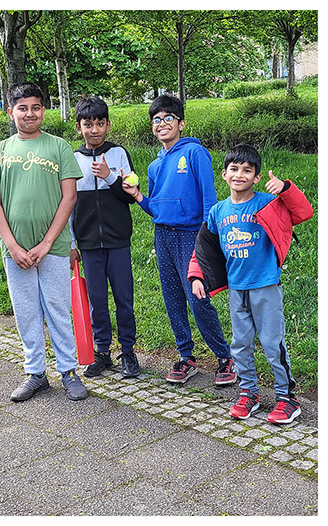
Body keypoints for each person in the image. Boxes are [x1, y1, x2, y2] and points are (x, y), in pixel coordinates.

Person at [188, 143, 313, 423]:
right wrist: (197, 274)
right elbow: (205, 247)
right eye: (234, 169)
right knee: (240, 344)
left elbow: (304, 213)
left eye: (247, 170)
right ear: (224, 174)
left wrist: (286, 190)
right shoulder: (219, 211)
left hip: (265, 286)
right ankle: (249, 393)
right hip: (237, 289)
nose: (240, 175)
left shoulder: (267, 203)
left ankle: (286, 398)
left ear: (257, 177)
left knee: (272, 343)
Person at [0, 82, 88, 402]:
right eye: (23, 107)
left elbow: (69, 198)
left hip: (53, 247)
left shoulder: (58, 147)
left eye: (36, 107)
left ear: (44, 109)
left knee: (58, 307)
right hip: (15, 249)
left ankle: (68, 371)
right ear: (11, 111)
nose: (30, 113)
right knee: (26, 310)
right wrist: (13, 246)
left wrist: (46, 243)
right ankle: (36, 373)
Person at [122, 94, 235, 386]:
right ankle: (186, 358)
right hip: (163, 236)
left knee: (197, 297)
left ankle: (226, 358)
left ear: (181, 123)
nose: (161, 124)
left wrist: (209, 239)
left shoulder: (196, 154)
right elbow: (156, 207)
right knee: (172, 299)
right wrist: (139, 197)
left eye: (168, 118)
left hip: (192, 236)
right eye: (156, 120)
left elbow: (209, 200)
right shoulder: (155, 165)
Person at [70, 96, 140, 378]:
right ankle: (102, 352)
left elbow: (130, 196)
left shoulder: (119, 154)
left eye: (100, 123)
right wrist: (73, 244)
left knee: (124, 297)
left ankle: (128, 351)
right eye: (88, 124)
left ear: (108, 125)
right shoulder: (73, 159)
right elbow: (69, 204)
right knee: (97, 299)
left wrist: (110, 176)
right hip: (88, 243)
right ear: (79, 127)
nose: (94, 129)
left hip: (118, 239)